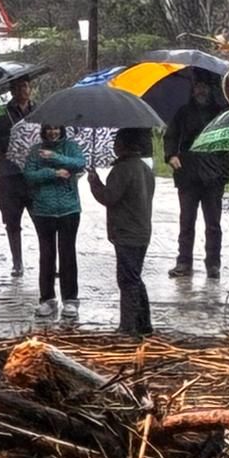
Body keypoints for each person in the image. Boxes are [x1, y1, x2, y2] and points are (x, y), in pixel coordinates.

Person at [163, 75, 229, 278]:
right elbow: (171, 136)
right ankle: (184, 262)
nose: (200, 91)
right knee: (186, 221)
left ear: (211, 89)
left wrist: (223, 174)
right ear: (192, 89)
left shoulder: (220, 115)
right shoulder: (183, 112)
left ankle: (213, 263)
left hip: (213, 177)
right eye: (197, 87)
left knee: (213, 224)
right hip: (188, 174)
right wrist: (171, 156)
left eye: (204, 86)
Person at [87, 129, 156, 336]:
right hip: (141, 230)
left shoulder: (123, 170)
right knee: (134, 276)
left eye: (116, 142)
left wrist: (95, 183)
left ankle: (128, 326)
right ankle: (143, 323)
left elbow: (109, 197)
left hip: (127, 232)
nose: (114, 146)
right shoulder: (144, 168)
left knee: (127, 280)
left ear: (124, 145)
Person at [23, 123, 87, 321]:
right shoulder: (35, 151)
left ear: (62, 130)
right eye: (49, 128)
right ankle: (47, 299)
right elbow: (28, 175)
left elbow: (80, 163)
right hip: (44, 210)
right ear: (44, 131)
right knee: (47, 255)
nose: (53, 132)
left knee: (68, 254)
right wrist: (53, 173)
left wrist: (55, 157)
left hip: (69, 209)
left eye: (56, 128)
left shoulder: (71, 147)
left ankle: (70, 300)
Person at [0, 75, 35, 276]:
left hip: (33, 174)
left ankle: (50, 260)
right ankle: (17, 262)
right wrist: (10, 141)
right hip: (9, 175)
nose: (23, 90)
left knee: (42, 219)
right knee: (12, 221)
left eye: (25, 86)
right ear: (12, 91)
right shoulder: (2, 115)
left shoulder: (38, 111)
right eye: (18, 87)